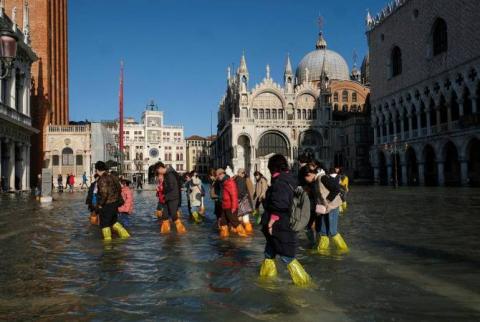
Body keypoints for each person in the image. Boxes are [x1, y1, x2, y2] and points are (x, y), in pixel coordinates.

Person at [259, 154, 311, 286]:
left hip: (279, 225)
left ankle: (304, 283)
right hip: (282, 222)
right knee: (269, 253)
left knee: (287, 256)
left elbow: (280, 204)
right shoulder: (289, 179)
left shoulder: (280, 182)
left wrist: (271, 221)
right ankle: (266, 281)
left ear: (272, 168)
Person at [300, 165, 348, 254]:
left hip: (332, 207)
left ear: (309, 174)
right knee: (323, 232)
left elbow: (336, 189)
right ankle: (322, 252)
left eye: (305, 178)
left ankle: (344, 250)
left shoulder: (322, 178)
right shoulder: (317, 180)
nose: (306, 181)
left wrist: (327, 201)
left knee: (332, 231)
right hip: (324, 209)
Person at [95, 161, 130, 241]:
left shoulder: (102, 179)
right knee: (113, 222)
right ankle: (126, 236)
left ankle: (108, 244)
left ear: (97, 169)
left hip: (107, 205)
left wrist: (100, 204)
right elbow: (119, 188)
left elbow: (104, 193)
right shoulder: (112, 177)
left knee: (105, 224)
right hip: (115, 203)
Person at [155, 162, 187, 234]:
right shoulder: (167, 174)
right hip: (167, 197)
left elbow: (171, 186)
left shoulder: (170, 174)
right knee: (165, 215)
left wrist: (162, 189)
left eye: (158, 172)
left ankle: (182, 231)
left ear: (160, 168)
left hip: (173, 197)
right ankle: (166, 232)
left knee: (173, 215)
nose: (159, 174)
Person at [216, 168, 246, 237]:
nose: (217, 178)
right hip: (225, 206)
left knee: (235, 222)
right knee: (223, 222)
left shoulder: (229, 182)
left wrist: (234, 207)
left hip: (230, 207)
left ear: (221, 174)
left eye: (217, 176)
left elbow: (234, 195)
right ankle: (224, 237)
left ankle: (244, 236)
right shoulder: (223, 182)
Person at [234, 168, 254, 234]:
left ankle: (240, 233)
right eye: (243, 173)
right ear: (240, 173)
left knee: (239, 218)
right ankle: (248, 233)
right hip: (243, 200)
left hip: (238, 201)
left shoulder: (235, 179)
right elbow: (241, 191)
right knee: (245, 218)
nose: (244, 174)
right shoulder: (241, 179)